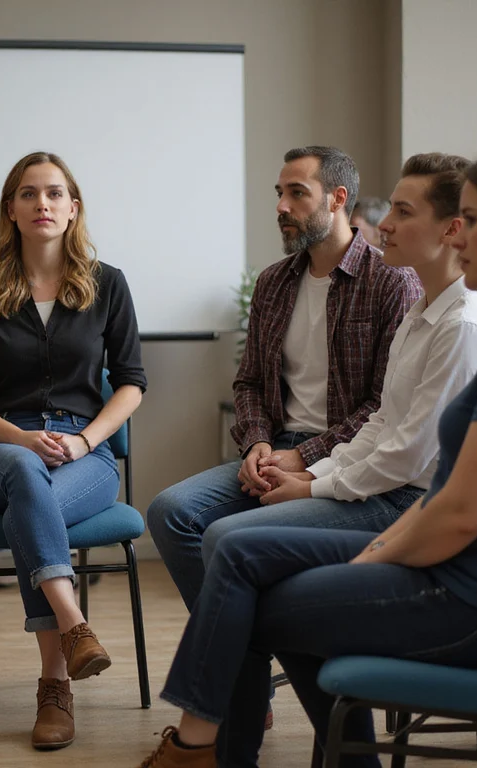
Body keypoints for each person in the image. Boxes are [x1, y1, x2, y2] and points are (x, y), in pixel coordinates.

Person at [134, 145, 477, 768]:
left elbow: (451, 506)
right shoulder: (469, 324)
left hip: (475, 602)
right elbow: (410, 450)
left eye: (473, 219)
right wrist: (301, 469)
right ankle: (235, 752)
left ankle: (204, 751)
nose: (462, 234)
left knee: (244, 576)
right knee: (232, 559)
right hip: (465, 575)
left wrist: (364, 549)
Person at [148, 146, 422, 612]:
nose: (281, 206)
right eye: (279, 193)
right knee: (170, 512)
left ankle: (236, 642)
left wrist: (303, 457)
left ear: (337, 199)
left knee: (226, 536)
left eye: (297, 193)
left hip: (344, 459)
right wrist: (257, 443)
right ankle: (243, 647)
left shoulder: (391, 282)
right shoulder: (273, 282)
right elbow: (250, 382)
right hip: (275, 449)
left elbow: (383, 404)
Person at [0, 151, 147, 750]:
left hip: (85, 454)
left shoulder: (108, 284)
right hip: (0, 449)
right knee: (23, 473)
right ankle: (73, 628)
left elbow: (131, 383)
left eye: (55, 193)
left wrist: (86, 440)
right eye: (29, 193)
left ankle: (56, 685)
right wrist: (20, 439)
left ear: (73, 208)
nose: (43, 203)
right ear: (10, 209)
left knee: (30, 510)